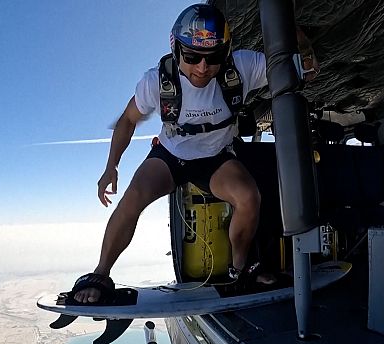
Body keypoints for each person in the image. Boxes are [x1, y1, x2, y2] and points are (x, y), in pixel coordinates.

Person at [71, 4, 318, 304]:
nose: (202, 67)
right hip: (170, 155)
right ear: (177, 51)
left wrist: (300, 43)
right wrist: (111, 166)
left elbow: (299, 68)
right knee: (134, 197)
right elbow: (127, 120)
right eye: (192, 57)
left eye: (213, 58)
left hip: (215, 158)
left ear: (225, 53)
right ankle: (100, 273)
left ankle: (240, 268)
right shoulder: (157, 82)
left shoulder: (242, 68)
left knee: (249, 198)